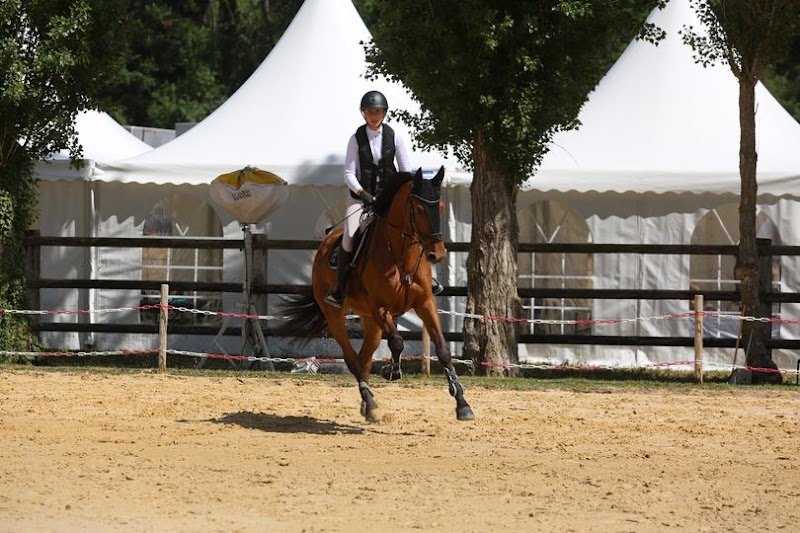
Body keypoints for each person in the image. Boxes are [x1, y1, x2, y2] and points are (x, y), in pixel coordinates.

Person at [324, 90, 413, 308]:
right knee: (349, 236)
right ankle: (340, 289)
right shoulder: (356, 139)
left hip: (389, 203)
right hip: (361, 201)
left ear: (384, 113)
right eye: (370, 112)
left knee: (413, 231)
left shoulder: (395, 137)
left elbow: (406, 170)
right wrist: (365, 195)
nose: (375, 115)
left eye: (378, 111)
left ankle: (422, 277)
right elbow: (348, 174)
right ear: (364, 114)